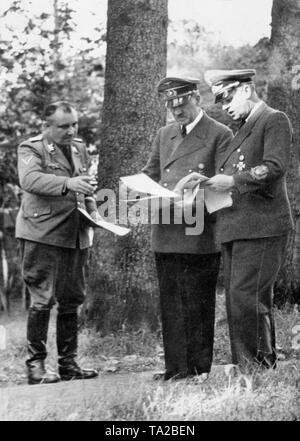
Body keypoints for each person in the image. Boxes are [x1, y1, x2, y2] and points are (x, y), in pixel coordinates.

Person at [186, 69, 294, 370]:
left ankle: (256, 369)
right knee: (239, 300)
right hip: (237, 226)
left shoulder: (273, 119)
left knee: (247, 298)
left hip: (262, 226)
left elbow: (274, 167)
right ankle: (251, 367)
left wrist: (231, 181)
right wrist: (207, 184)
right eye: (220, 100)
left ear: (245, 90)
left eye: (228, 97)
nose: (224, 106)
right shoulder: (243, 128)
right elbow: (234, 178)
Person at [142, 76, 233, 382]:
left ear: (197, 98)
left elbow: (223, 185)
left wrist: (191, 200)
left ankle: (197, 368)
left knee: (197, 302)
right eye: (170, 105)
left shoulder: (219, 133)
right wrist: (140, 190)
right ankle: (174, 368)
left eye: (182, 104)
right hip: (166, 229)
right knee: (170, 303)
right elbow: (150, 174)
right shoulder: (164, 133)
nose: (177, 112)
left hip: (198, 232)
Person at [16, 101, 99, 384]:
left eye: (74, 124)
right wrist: (68, 184)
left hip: (74, 234)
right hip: (42, 233)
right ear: (47, 125)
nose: (70, 130)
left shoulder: (79, 148)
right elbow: (29, 180)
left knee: (71, 300)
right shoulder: (32, 148)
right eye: (64, 126)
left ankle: (68, 364)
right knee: (42, 300)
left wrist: (93, 210)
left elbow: (84, 186)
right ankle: (35, 366)